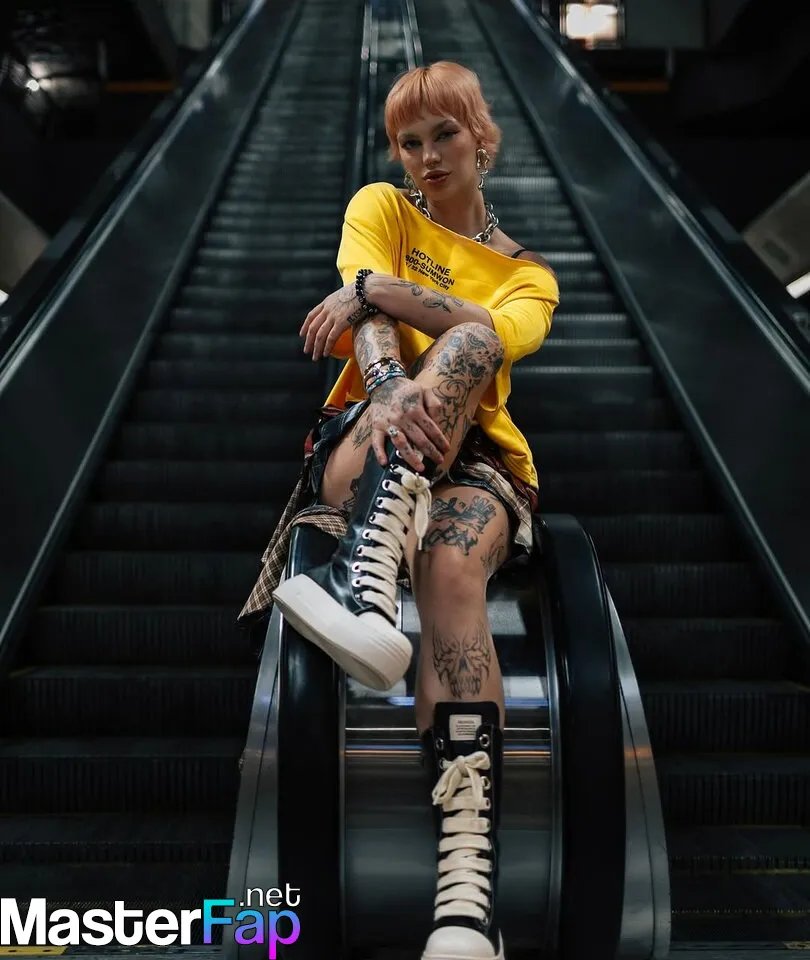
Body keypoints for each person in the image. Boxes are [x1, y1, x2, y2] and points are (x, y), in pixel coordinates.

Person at [239, 61, 559, 960]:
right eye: (409, 143)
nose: (425, 157)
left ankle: (467, 899)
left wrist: (375, 290)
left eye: (443, 135)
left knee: (453, 566)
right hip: (365, 434)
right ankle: (370, 588)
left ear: (482, 139)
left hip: (481, 468)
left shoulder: (530, 275)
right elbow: (366, 318)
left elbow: (490, 334)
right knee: (444, 350)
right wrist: (385, 388)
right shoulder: (379, 205)